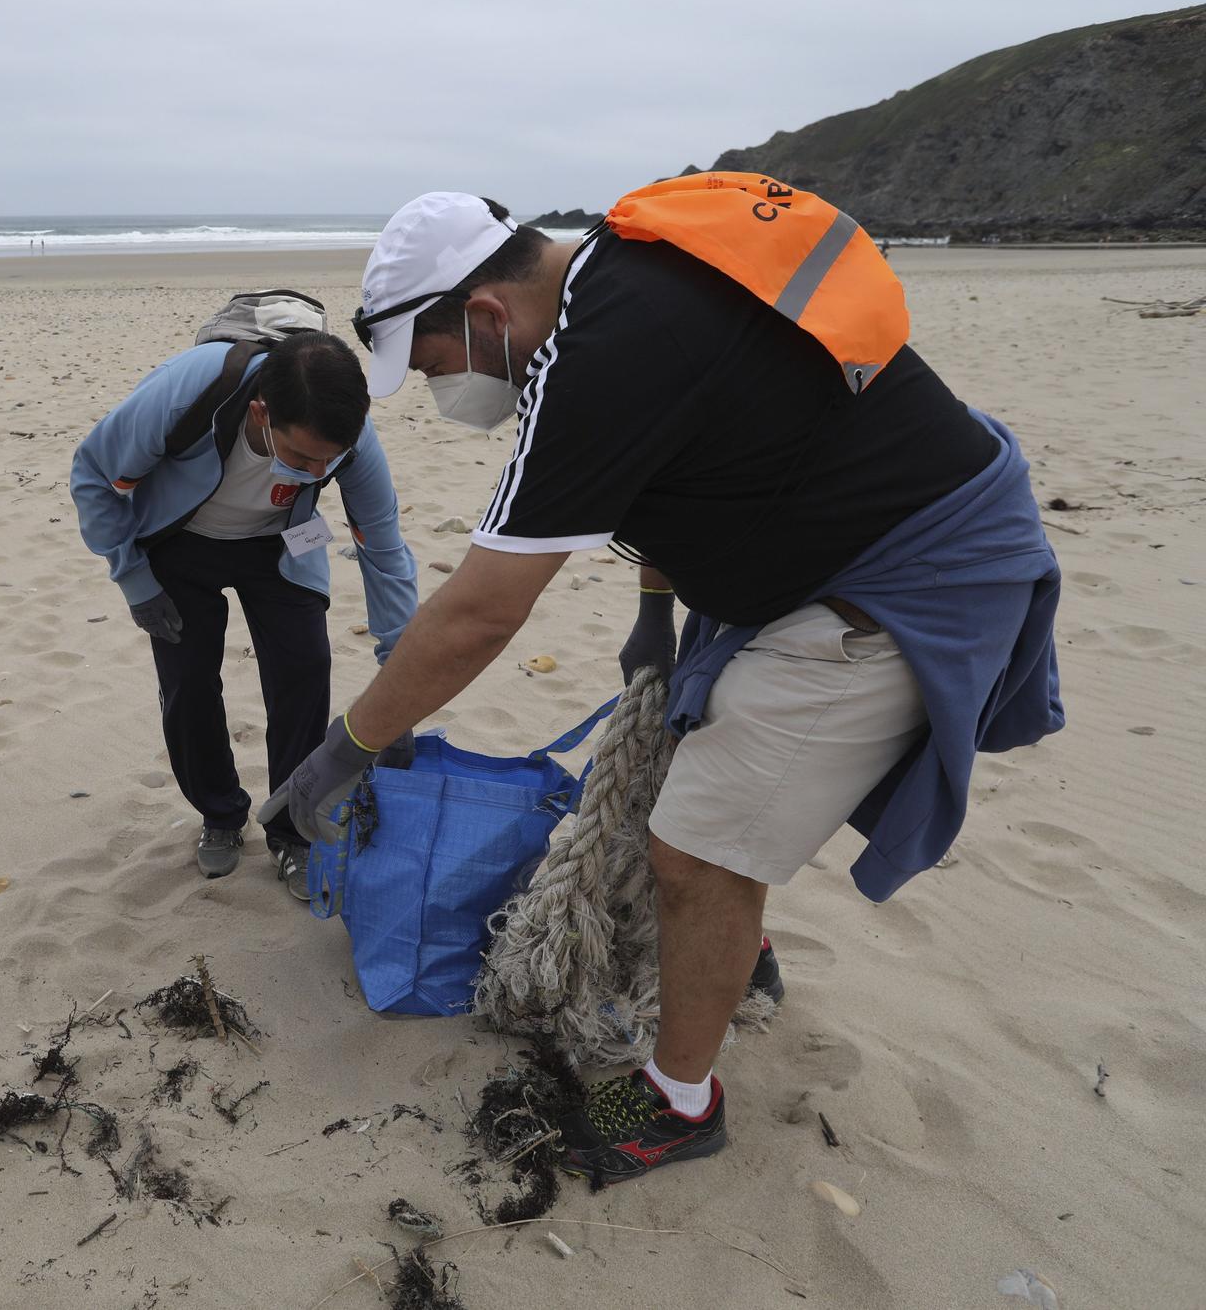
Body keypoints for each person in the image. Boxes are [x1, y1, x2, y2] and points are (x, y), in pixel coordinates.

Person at [265, 186, 1062, 1183]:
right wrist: (655, 610)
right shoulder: (622, 284)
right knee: (693, 796)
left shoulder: (597, 356)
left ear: (481, 315)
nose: (440, 393)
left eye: (431, 368)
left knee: (693, 848)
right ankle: (733, 961)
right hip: (820, 556)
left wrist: (340, 754)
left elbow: (477, 611)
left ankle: (677, 1102)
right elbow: (679, 466)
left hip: (897, 578)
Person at [71, 330, 419, 894]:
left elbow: (381, 544)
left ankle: (293, 831)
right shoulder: (188, 392)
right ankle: (221, 814)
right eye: (303, 457)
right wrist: (135, 580)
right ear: (260, 413)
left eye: (327, 462)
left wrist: (399, 662)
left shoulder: (349, 440)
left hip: (287, 542)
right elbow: (94, 476)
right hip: (181, 540)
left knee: (305, 670)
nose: (315, 471)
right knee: (187, 684)